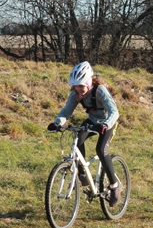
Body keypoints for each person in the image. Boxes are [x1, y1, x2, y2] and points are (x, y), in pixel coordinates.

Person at [47, 61, 123, 207]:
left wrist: (106, 124)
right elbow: (66, 112)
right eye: (75, 86)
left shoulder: (100, 91)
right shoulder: (75, 94)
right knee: (78, 139)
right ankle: (83, 175)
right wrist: (57, 123)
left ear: (89, 83)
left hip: (108, 122)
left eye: (81, 86)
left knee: (101, 150)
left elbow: (114, 112)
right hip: (92, 121)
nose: (78, 89)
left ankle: (115, 186)